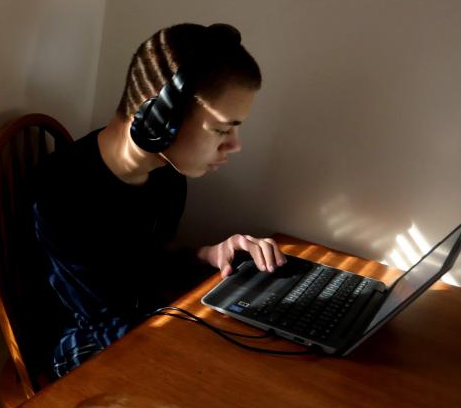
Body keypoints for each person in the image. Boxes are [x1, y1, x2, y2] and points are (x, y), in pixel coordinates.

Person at [30, 23, 287, 381]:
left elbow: (142, 263)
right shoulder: (64, 193)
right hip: (78, 345)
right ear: (157, 121)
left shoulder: (167, 175)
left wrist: (210, 255)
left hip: (135, 323)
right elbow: (105, 316)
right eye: (222, 129)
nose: (235, 145)